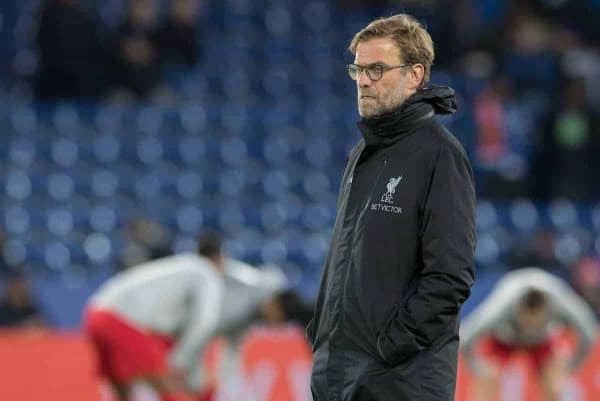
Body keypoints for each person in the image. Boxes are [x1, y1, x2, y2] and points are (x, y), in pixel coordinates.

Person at [306, 14, 476, 401]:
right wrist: (322, 337)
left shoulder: (440, 155)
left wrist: (389, 350)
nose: (363, 81)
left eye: (377, 69)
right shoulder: (361, 154)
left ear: (415, 74)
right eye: (358, 69)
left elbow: (450, 276)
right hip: (338, 377)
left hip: (398, 382)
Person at [84, 232, 286, 401]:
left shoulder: (182, 267)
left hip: (95, 311)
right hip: (121, 320)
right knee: (172, 388)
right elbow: (204, 324)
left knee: (121, 387)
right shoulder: (207, 275)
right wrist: (180, 363)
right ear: (219, 259)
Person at [460, 267, 598, 401]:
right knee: (488, 378)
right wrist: (476, 367)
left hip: (542, 340)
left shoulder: (560, 302)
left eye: (534, 323)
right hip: (506, 337)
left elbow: (588, 331)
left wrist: (573, 364)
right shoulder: (502, 305)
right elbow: (467, 336)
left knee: (554, 383)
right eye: (526, 322)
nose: (529, 329)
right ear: (518, 311)